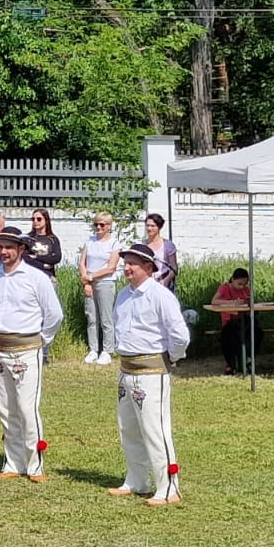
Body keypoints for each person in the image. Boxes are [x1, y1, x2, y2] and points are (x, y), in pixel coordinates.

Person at [0, 229, 63, 482]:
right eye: (1, 247)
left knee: (27, 408)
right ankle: (12, 463)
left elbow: (54, 315)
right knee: (6, 408)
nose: (4, 252)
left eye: (9, 247)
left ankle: (35, 465)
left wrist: (41, 340)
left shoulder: (36, 278)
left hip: (27, 350)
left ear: (21, 249)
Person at [110, 243, 189, 506]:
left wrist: (171, 358)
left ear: (148, 267)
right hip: (126, 369)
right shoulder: (123, 295)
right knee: (129, 428)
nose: (127, 267)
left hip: (152, 371)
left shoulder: (161, 295)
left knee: (155, 429)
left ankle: (169, 487)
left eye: (133, 263)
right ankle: (137, 480)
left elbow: (179, 335)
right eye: (126, 262)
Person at [78, 212, 122, 364]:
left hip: (105, 283)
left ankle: (107, 350)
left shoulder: (114, 244)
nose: (98, 227)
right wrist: (86, 282)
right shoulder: (90, 241)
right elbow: (82, 263)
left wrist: (91, 277)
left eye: (102, 224)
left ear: (109, 226)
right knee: (91, 317)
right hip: (90, 283)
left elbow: (111, 268)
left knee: (106, 318)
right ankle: (93, 349)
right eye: (96, 224)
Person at [210, 268, 255, 375]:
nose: (242, 287)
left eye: (244, 284)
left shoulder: (245, 290)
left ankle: (247, 359)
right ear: (233, 279)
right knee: (228, 336)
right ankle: (231, 364)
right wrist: (231, 303)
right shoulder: (224, 288)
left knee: (256, 332)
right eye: (239, 284)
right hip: (229, 321)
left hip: (244, 319)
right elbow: (214, 301)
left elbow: (250, 301)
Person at [141, 214, 179, 291]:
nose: (149, 228)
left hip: (164, 283)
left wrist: (166, 280)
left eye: (153, 226)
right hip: (148, 283)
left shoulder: (168, 245)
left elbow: (174, 268)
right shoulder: (143, 245)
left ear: (159, 227)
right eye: (147, 225)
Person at [23, 209, 62, 280]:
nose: (35, 221)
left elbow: (56, 258)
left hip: (48, 276)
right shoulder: (28, 238)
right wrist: (43, 265)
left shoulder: (53, 239)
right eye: (33, 219)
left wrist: (36, 257)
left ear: (46, 220)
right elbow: (25, 258)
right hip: (30, 277)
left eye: (39, 219)